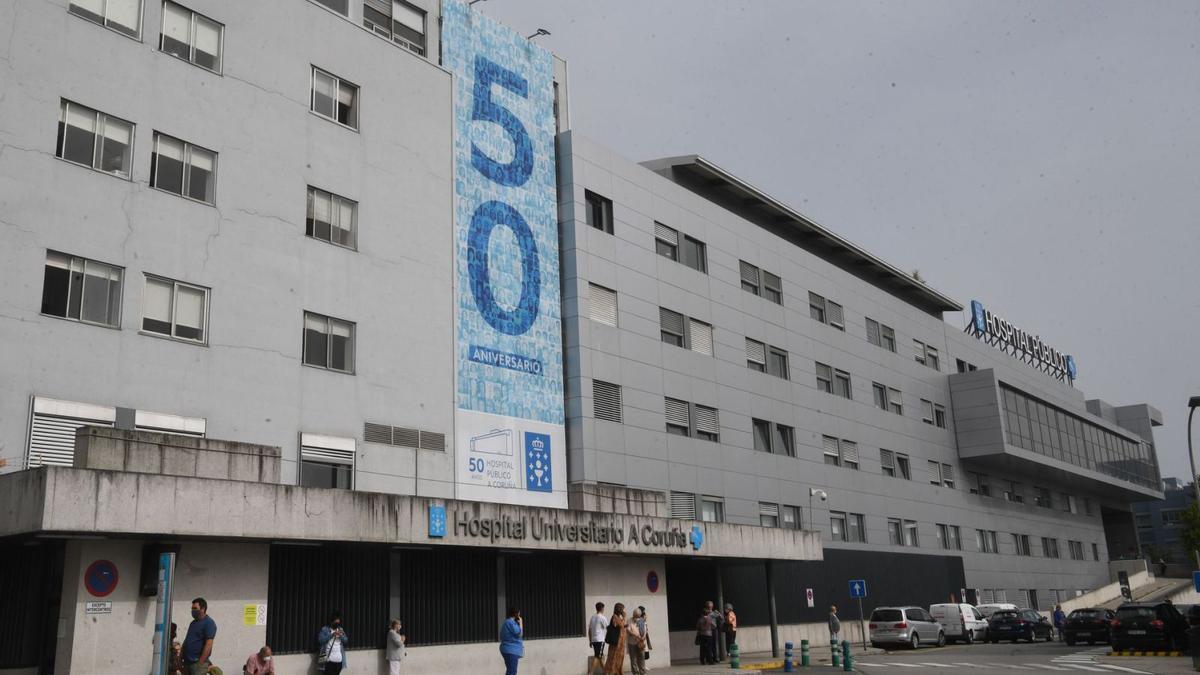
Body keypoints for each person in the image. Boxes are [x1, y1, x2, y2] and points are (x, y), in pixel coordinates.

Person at [182, 598, 217, 675]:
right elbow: (187, 640)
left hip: (197, 664)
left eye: (195, 608)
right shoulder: (193, 623)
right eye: (192, 608)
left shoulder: (208, 623)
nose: (192, 611)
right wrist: (181, 655)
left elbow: (209, 644)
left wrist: (200, 663)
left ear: (203, 609)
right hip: (187, 663)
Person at [603, 603, 627, 675]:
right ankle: (610, 672)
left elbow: (620, 626)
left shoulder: (619, 617)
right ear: (619, 609)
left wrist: (625, 625)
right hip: (616, 642)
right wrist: (624, 618)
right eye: (623, 609)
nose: (624, 611)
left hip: (620, 643)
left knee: (619, 658)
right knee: (613, 658)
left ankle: (617, 672)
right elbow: (620, 624)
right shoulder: (615, 617)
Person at [500, 607, 524, 675]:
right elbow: (519, 634)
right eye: (519, 614)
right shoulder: (510, 622)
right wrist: (521, 622)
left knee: (510, 670)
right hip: (511, 650)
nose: (519, 616)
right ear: (516, 614)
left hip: (509, 649)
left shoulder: (508, 622)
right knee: (512, 671)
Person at [626, 607, 647, 675]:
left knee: (642, 658)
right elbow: (628, 630)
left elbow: (645, 629)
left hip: (641, 642)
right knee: (633, 659)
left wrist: (643, 637)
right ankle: (635, 673)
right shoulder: (629, 620)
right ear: (633, 615)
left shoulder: (642, 620)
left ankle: (642, 672)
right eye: (635, 616)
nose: (637, 618)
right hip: (632, 643)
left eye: (638, 616)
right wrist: (636, 635)